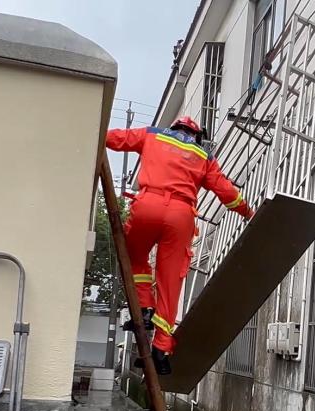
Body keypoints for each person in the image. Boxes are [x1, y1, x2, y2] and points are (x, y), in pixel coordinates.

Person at [106, 116, 253, 375]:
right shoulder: (203, 155)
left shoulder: (152, 135)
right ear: (196, 135)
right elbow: (227, 192)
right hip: (181, 215)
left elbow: (114, 138)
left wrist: (93, 132)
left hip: (148, 205)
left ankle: (145, 308)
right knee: (170, 281)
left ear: (174, 128)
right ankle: (161, 349)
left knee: (133, 257)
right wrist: (247, 212)